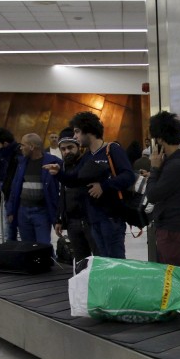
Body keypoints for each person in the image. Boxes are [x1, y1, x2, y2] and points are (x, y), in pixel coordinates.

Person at [46, 111, 136, 259]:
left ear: (89, 130)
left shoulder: (112, 149)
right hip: (93, 219)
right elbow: (75, 180)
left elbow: (128, 176)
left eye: (77, 132)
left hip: (111, 218)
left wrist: (104, 186)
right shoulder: (87, 156)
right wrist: (59, 174)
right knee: (102, 261)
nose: (75, 136)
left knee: (115, 262)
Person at [145, 111, 180, 269]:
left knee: (176, 277)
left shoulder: (177, 165)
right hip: (175, 226)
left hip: (172, 229)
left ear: (160, 139)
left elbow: (153, 195)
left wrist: (154, 169)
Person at [54, 128, 103, 261]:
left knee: (100, 259)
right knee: (81, 261)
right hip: (72, 222)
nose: (67, 152)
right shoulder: (63, 167)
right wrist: (59, 219)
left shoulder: (89, 162)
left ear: (78, 147)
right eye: (63, 149)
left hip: (90, 221)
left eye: (70, 147)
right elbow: (62, 194)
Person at [6, 133, 61, 244]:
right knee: (28, 246)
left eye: (23, 145)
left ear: (32, 146)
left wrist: (58, 217)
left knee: (43, 245)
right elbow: (15, 187)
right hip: (23, 211)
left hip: (42, 212)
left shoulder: (53, 161)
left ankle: (48, 261)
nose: (20, 148)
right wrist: (10, 211)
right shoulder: (22, 163)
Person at [0, 127, 21, 237]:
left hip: (13, 188)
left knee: (10, 220)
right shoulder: (0, 153)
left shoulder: (18, 153)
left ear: (5, 143)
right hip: (5, 185)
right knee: (8, 219)